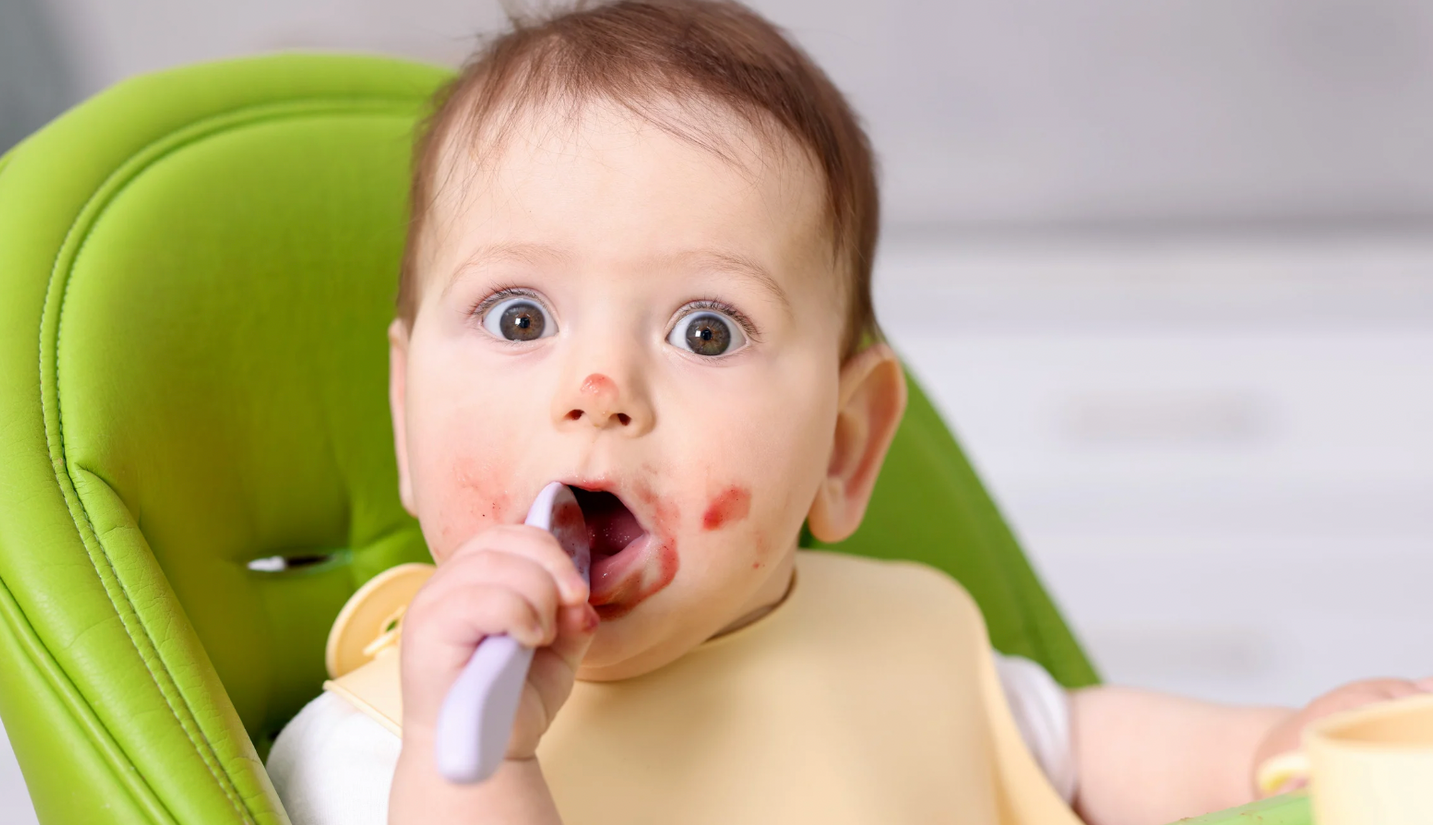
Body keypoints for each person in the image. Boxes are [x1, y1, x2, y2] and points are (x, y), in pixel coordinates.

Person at [265, 2, 1428, 823]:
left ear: (843, 447)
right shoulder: (386, 756)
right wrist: (479, 772)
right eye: (519, 319)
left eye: (706, 330)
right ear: (406, 416)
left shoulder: (905, 634)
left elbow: (1082, 753)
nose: (598, 388)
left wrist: (1279, 747)